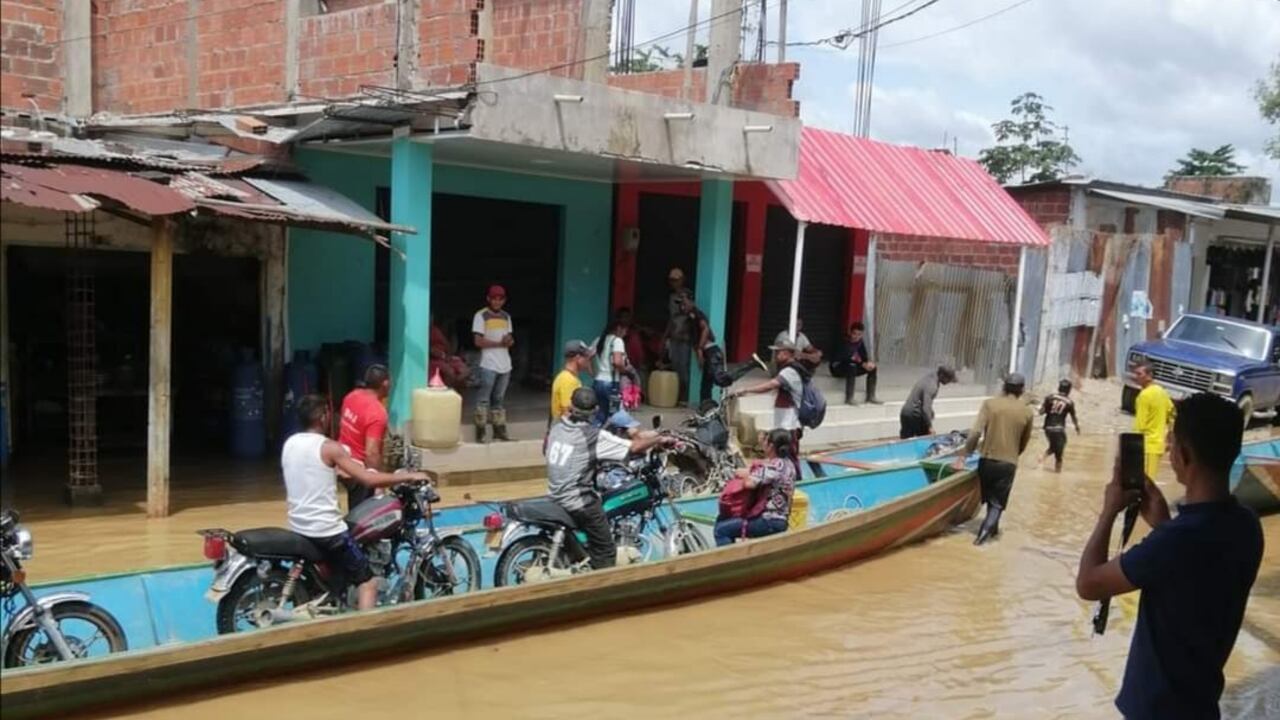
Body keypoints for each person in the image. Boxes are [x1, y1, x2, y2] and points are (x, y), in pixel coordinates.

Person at [1076, 393, 1262, 720]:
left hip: (1157, 711)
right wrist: (1163, 523)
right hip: (1201, 705)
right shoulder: (1246, 526)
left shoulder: (1176, 541)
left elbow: (1089, 584)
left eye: (1172, 441)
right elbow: (1194, 578)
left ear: (1183, 455)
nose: (1168, 448)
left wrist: (1109, 511)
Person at [284, 394, 433, 611]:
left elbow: (315, 470)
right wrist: (409, 476)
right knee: (368, 582)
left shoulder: (290, 444)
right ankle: (367, 634)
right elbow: (369, 479)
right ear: (322, 417)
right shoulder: (330, 448)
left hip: (298, 525)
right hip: (326, 531)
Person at [545, 388, 675, 569]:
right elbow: (635, 447)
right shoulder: (593, 436)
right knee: (606, 550)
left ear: (570, 406)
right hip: (578, 501)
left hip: (553, 495)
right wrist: (660, 439)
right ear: (595, 410)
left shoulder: (557, 427)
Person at [952, 373, 1034, 545]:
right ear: (1022, 390)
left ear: (1004, 387)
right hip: (1008, 463)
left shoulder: (990, 404)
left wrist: (965, 455)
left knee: (991, 500)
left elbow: (975, 433)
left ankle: (993, 531)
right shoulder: (1027, 412)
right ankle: (980, 540)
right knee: (997, 505)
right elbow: (1024, 442)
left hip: (986, 461)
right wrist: (1012, 456)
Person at [713, 429, 798, 546]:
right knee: (724, 522)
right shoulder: (789, 464)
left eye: (766, 442)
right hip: (781, 519)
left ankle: (730, 561)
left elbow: (750, 483)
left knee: (721, 530)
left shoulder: (775, 465)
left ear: (771, 446)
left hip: (768, 520)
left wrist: (743, 477)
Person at [678, 291, 767, 402]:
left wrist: (700, 349)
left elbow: (705, 328)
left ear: (691, 301)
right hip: (708, 354)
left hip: (711, 352)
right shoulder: (690, 317)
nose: (682, 306)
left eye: (684, 303)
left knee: (721, 380)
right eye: (681, 304)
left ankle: (752, 363)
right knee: (705, 387)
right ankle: (705, 409)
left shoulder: (696, 314)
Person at [730, 339, 806, 455]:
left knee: (788, 455)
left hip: (789, 423)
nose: (775, 355)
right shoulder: (787, 369)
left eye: (777, 352)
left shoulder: (790, 371)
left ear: (786, 353)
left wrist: (746, 390)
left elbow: (771, 385)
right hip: (784, 421)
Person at [337, 364, 391, 511]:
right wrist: (377, 482)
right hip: (360, 471)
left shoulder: (351, 396)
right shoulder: (377, 413)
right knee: (364, 515)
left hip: (343, 465)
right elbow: (371, 452)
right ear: (385, 383)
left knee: (354, 507)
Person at [472, 285, 514, 443]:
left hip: (505, 364)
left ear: (504, 300)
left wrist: (508, 341)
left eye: (500, 299)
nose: (497, 301)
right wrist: (500, 344)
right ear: (488, 299)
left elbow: (510, 339)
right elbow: (478, 341)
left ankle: (499, 431)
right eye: (494, 298)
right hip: (488, 363)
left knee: (499, 399)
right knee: (484, 399)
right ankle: (480, 432)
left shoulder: (506, 317)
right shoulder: (481, 316)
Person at [1132, 362, 1174, 482]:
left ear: (1149, 375)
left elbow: (1139, 425)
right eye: (1136, 373)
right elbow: (1173, 415)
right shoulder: (1162, 392)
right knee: (1151, 481)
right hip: (1158, 446)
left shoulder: (1144, 396)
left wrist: (1131, 447)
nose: (1136, 377)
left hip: (1146, 446)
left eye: (1139, 374)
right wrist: (1170, 437)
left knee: (1142, 482)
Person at [593, 316, 634, 425]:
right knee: (615, 414)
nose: (625, 333)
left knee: (601, 413)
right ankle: (614, 438)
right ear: (618, 328)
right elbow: (617, 362)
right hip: (611, 383)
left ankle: (593, 435)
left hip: (598, 382)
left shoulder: (599, 340)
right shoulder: (617, 341)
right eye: (625, 330)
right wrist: (625, 370)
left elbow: (587, 356)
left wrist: (593, 373)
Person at [829, 321, 880, 406]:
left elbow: (863, 357)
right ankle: (849, 397)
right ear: (850, 333)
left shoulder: (860, 343)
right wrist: (861, 364)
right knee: (852, 366)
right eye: (854, 334)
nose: (856, 337)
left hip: (853, 366)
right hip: (838, 367)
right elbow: (847, 358)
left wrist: (868, 363)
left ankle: (871, 396)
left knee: (873, 368)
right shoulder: (843, 341)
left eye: (859, 334)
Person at [899, 365, 957, 439]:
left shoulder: (929, 377)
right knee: (925, 440)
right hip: (915, 415)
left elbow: (922, 400)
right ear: (942, 376)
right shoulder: (932, 385)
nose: (949, 382)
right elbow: (926, 408)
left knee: (905, 442)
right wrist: (930, 427)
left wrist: (931, 412)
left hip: (905, 413)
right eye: (948, 379)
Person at [1038, 379, 1081, 473]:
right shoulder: (1069, 402)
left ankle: (1042, 458)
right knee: (1059, 454)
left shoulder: (1049, 397)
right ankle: (1057, 474)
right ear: (1069, 390)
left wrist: (1045, 408)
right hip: (1059, 428)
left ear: (1058, 388)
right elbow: (1074, 417)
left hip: (1047, 428)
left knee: (1054, 446)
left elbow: (1041, 412)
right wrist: (1077, 427)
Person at [664, 268, 693, 403]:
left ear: (682, 280)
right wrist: (666, 335)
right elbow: (672, 318)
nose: (673, 283)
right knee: (675, 366)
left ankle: (686, 396)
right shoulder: (671, 297)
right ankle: (676, 396)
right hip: (674, 337)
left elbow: (691, 316)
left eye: (676, 280)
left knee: (684, 368)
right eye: (672, 280)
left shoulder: (688, 296)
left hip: (685, 337)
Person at [550, 339, 594, 422]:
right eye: (586, 357)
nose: (588, 360)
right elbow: (568, 412)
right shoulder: (568, 380)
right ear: (578, 358)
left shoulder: (566, 376)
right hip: (566, 431)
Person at [429, 315, 469, 393]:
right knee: (449, 372)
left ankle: (454, 390)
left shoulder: (436, 330)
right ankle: (446, 393)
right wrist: (436, 353)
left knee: (465, 371)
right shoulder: (426, 332)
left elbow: (448, 347)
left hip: (446, 357)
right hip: (434, 359)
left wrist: (448, 356)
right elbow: (430, 350)